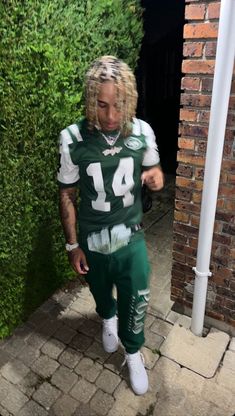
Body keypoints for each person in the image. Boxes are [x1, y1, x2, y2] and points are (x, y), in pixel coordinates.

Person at [57, 55, 164, 395]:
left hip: (130, 235)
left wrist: (155, 177)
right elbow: (67, 195)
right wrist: (73, 245)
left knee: (138, 293)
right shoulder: (73, 137)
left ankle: (132, 351)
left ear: (129, 100)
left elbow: (156, 170)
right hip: (93, 236)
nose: (111, 116)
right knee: (101, 292)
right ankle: (107, 317)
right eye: (101, 105)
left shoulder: (142, 131)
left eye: (118, 105)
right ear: (92, 100)